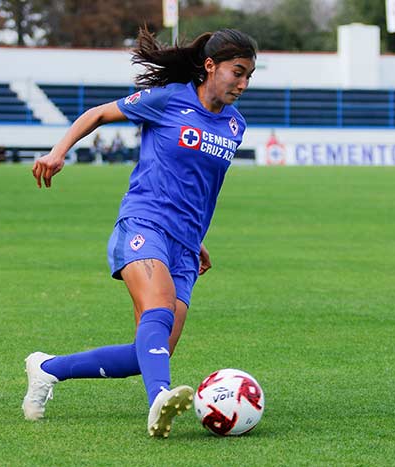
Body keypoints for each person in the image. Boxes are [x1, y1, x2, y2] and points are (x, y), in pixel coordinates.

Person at [24, 28, 257, 438]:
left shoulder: (235, 125)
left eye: (249, 76)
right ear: (210, 66)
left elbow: (200, 186)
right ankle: (159, 398)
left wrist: (196, 238)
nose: (243, 84)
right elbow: (97, 114)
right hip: (143, 223)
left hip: (184, 245)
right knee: (159, 308)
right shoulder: (169, 99)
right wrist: (58, 152)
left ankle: (47, 368)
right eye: (237, 72)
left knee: (151, 351)